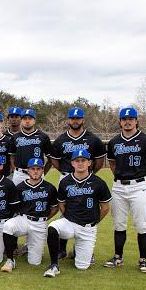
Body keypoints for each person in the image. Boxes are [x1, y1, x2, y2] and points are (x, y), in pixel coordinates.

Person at [104, 107, 146, 273]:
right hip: (119, 186)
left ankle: (143, 260)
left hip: (140, 185)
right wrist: (121, 177)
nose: (127, 121)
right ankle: (117, 257)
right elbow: (113, 163)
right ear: (120, 121)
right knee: (119, 223)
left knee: (142, 224)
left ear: (136, 121)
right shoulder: (114, 141)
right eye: (124, 119)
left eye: (131, 119)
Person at [44, 149, 111, 278]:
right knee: (53, 227)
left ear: (89, 163)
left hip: (88, 228)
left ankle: (78, 250)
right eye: (77, 161)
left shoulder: (98, 182)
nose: (80, 163)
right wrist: (69, 217)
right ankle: (54, 265)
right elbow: (61, 204)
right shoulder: (65, 181)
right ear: (72, 163)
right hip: (70, 223)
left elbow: (106, 208)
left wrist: (94, 221)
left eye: (83, 160)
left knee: (81, 267)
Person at [50, 107, 106, 259]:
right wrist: (63, 171)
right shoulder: (61, 139)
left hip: (87, 177)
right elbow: (53, 158)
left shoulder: (92, 139)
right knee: (64, 213)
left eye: (78, 118)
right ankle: (61, 249)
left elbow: (100, 160)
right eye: (72, 118)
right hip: (67, 177)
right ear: (68, 120)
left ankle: (83, 246)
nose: (75, 121)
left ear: (82, 120)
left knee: (87, 211)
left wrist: (91, 174)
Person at [1, 158, 59, 271]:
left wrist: (45, 218)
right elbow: (14, 207)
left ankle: (33, 250)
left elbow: (55, 207)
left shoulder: (50, 188)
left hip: (40, 223)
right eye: (33, 169)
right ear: (28, 170)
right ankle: (10, 260)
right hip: (24, 219)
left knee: (34, 262)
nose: (36, 171)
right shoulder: (20, 187)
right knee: (8, 226)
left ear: (43, 170)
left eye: (39, 169)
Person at [8, 108, 52, 185]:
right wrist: (15, 169)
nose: (27, 121)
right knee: (16, 196)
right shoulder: (15, 137)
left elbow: (50, 158)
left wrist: (43, 172)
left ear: (34, 120)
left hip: (37, 173)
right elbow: (12, 155)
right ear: (21, 121)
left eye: (30, 118)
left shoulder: (43, 136)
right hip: (20, 174)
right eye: (24, 118)